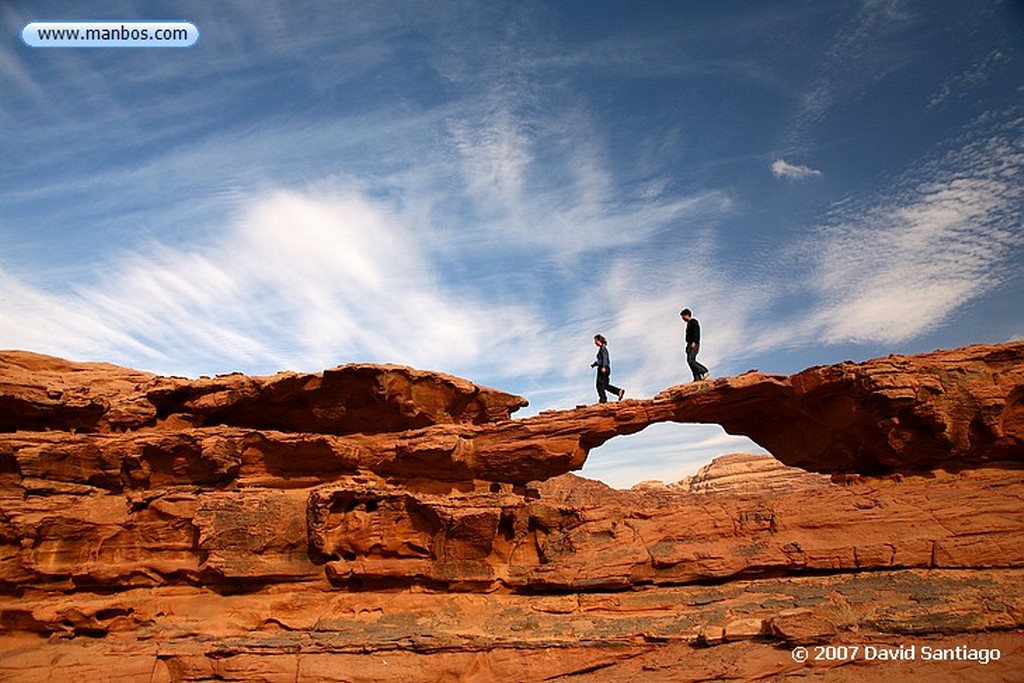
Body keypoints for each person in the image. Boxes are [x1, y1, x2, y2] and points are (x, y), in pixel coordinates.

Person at [591, 334, 625, 403]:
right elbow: (601, 359)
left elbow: (605, 358)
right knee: (605, 385)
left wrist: (603, 366)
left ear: (599, 340)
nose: (594, 343)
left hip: (603, 368)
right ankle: (618, 391)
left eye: (595, 341)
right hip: (606, 368)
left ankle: (603, 399)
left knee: (599, 385)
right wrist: (594, 364)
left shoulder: (602, 348)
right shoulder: (603, 348)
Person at [680, 309, 709, 381]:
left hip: (694, 343)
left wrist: (694, 342)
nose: (683, 319)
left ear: (687, 315)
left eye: (683, 317)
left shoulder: (693, 322)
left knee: (691, 360)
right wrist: (687, 346)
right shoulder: (689, 324)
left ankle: (704, 371)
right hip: (689, 344)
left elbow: (696, 332)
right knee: (690, 360)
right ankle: (697, 377)